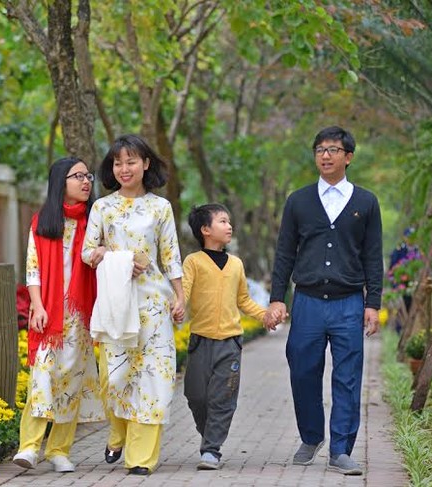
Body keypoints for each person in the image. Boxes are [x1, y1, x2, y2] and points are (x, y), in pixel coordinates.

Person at [267, 126, 383, 476]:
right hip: (307, 302)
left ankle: (341, 450)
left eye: (333, 150)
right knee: (302, 369)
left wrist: (373, 303)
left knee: (347, 377)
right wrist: (277, 298)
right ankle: (311, 435)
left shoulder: (366, 202)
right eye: (320, 149)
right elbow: (285, 253)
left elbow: (372, 256)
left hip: (349, 302)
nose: (326, 155)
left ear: (348, 157)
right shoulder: (298, 201)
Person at [82, 134, 185, 476]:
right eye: (117, 163)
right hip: (116, 303)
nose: (124, 169)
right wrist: (119, 257)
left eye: (131, 161)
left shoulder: (160, 208)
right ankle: (118, 431)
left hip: (154, 304)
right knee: (115, 378)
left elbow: (171, 257)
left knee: (155, 378)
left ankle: (141, 458)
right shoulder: (102, 207)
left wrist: (180, 297)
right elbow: (87, 252)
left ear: (146, 164)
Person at [13, 156, 105, 473]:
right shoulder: (42, 223)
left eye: (87, 176)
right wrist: (37, 305)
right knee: (42, 378)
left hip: (79, 318)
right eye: (77, 176)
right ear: (59, 183)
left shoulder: (94, 223)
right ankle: (29, 447)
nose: (85, 181)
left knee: (71, 382)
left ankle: (59, 450)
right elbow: (33, 269)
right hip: (49, 315)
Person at [181, 203, 274, 470]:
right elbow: (183, 293)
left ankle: (211, 449)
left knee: (223, 398)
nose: (229, 226)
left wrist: (264, 315)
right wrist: (176, 306)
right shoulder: (193, 262)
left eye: (229, 221)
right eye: (223, 221)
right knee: (196, 396)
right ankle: (210, 433)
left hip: (230, 343)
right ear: (206, 230)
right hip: (200, 341)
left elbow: (243, 299)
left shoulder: (236, 264)